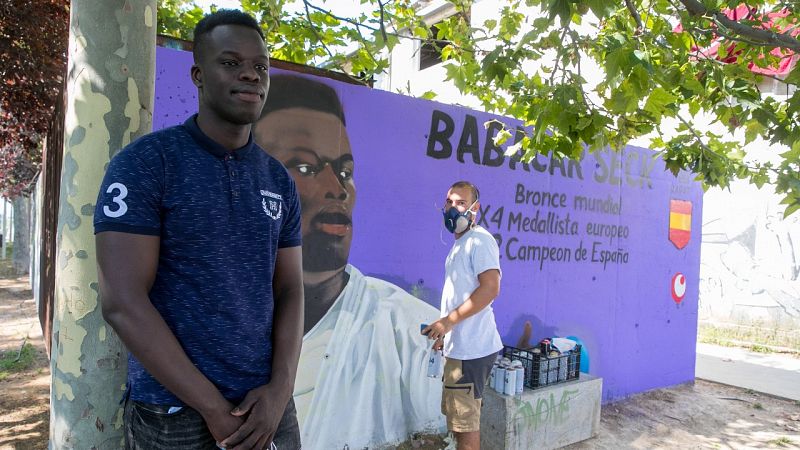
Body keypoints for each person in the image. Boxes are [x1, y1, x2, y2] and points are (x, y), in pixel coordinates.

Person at [94, 10, 303, 450]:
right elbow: (122, 301)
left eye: (261, 66)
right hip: (174, 416)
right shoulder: (147, 164)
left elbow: (290, 291)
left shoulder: (278, 180)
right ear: (198, 74)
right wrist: (211, 408)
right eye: (231, 62)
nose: (250, 74)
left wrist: (281, 390)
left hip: (264, 407)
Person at [253, 75, 444, 449]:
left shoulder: (406, 330)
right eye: (305, 168)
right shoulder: (217, 323)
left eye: (344, 171)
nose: (337, 188)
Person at [423, 181, 503, 450]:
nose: (452, 208)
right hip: (461, 347)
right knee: (459, 423)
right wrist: (444, 334)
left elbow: (490, 288)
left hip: (472, 350)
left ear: (474, 208)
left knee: (465, 426)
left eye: (460, 203)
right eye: (449, 202)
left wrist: (448, 322)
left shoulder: (479, 241)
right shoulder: (462, 243)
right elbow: (459, 295)